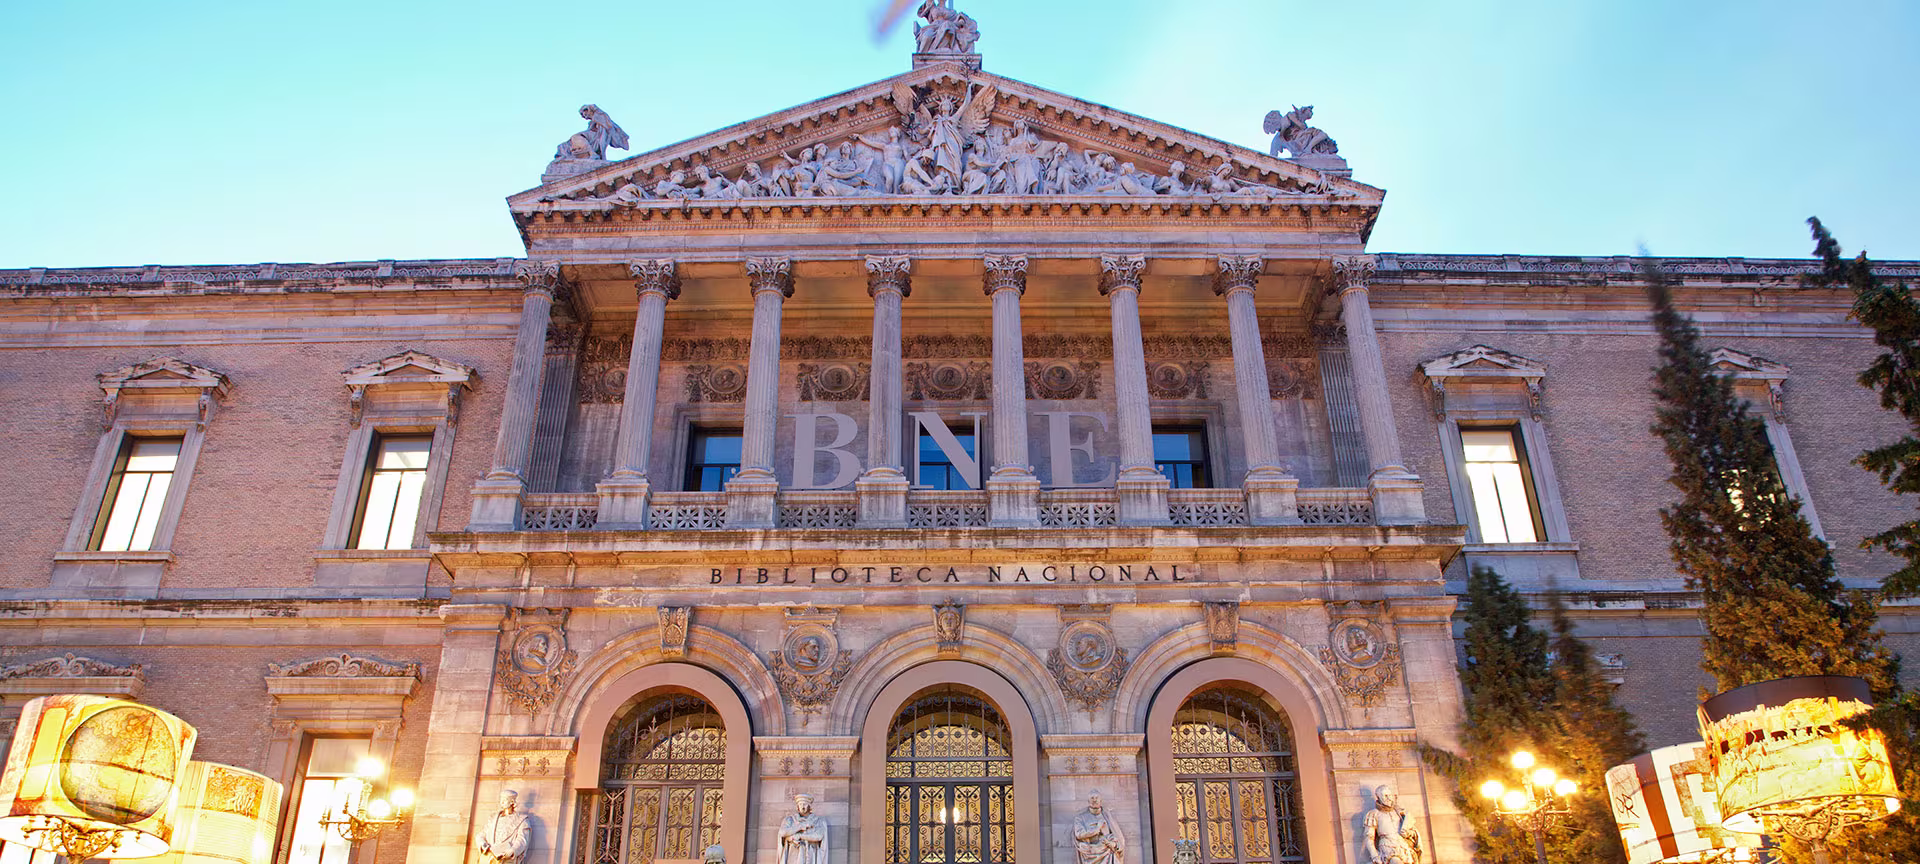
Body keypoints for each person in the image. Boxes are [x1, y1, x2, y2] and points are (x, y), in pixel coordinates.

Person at [1363, 785, 1421, 864]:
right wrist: (1375, 856)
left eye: (1390, 795)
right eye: (1385, 796)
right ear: (1378, 797)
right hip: (1387, 847)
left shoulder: (1399, 812)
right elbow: (1369, 837)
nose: (1389, 798)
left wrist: (1408, 833)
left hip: (1403, 847)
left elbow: (1413, 832)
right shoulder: (1373, 814)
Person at [478, 789, 533, 864]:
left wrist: (513, 850)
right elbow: (481, 834)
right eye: (501, 799)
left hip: (506, 858)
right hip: (489, 856)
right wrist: (482, 843)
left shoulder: (522, 820)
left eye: (505, 800)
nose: (502, 802)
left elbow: (522, 840)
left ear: (512, 802)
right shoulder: (493, 818)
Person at [1072, 792, 1124, 864]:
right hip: (1089, 853)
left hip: (1107, 854)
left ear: (1100, 800)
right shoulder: (1080, 818)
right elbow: (1079, 834)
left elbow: (1117, 837)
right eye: (1092, 798)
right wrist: (1096, 829)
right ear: (1088, 801)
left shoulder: (1107, 817)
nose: (1094, 800)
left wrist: (1113, 844)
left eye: (1097, 798)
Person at [778, 792, 828, 864]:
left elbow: (819, 836)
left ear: (809, 806)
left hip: (811, 853)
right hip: (794, 854)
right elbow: (782, 833)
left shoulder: (817, 820)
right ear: (797, 806)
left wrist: (800, 836)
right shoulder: (790, 820)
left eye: (805, 804)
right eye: (800, 804)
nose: (802, 806)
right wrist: (800, 827)